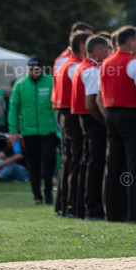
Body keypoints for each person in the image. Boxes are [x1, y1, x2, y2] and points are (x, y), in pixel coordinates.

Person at [100, 26, 136, 222]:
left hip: (111, 114)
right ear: (130, 42)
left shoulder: (106, 63)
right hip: (132, 115)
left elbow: (100, 97)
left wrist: (107, 114)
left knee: (113, 166)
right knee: (135, 166)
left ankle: (113, 213)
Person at [8, 58, 57, 205]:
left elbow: (58, 105)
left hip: (48, 131)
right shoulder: (20, 85)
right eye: (31, 68)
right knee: (33, 165)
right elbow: (13, 108)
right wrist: (13, 130)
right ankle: (36, 195)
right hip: (29, 132)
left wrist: (59, 128)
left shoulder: (51, 82)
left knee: (49, 163)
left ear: (42, 68)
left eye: (36, 68)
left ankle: (48, 193)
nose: (34, 71)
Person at [52, 31, 91, 217]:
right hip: (72, 115)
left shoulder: (65, 62)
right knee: (76, 161)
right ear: (83, 46)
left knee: (69, 161)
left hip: (65, 113)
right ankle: (73, 206)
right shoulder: (75, 65)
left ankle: (64, 205)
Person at [73, 34, 110, 220]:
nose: (109, 53)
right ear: (97, 51)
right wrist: (103, 120)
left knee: (87, 164)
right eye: (106, 50)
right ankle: (93, 209)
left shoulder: (81, 67)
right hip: (91, 121)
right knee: (95, 165)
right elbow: (91, 102)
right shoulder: (92, 70)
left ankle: (82, 207)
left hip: (83, 120)